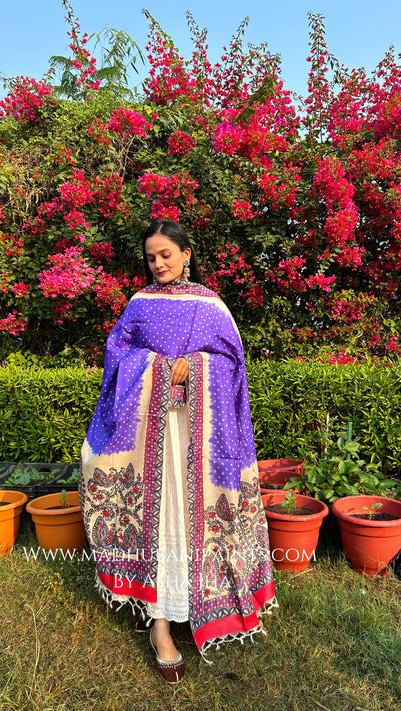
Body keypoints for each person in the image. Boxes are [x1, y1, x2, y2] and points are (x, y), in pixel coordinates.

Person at [79, 220, 277, 683]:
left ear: (187, 254)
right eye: (151, 257)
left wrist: (197, 366)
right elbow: (117, 357)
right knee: (161, 515)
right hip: (149, 431)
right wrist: (158, 368)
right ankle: (159, 625)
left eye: (166, 254)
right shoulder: (140, 304)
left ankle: (194, 603)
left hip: (201, 435)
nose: (159, 263)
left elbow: (232, 363)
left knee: (193, 519)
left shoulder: (213, 306)